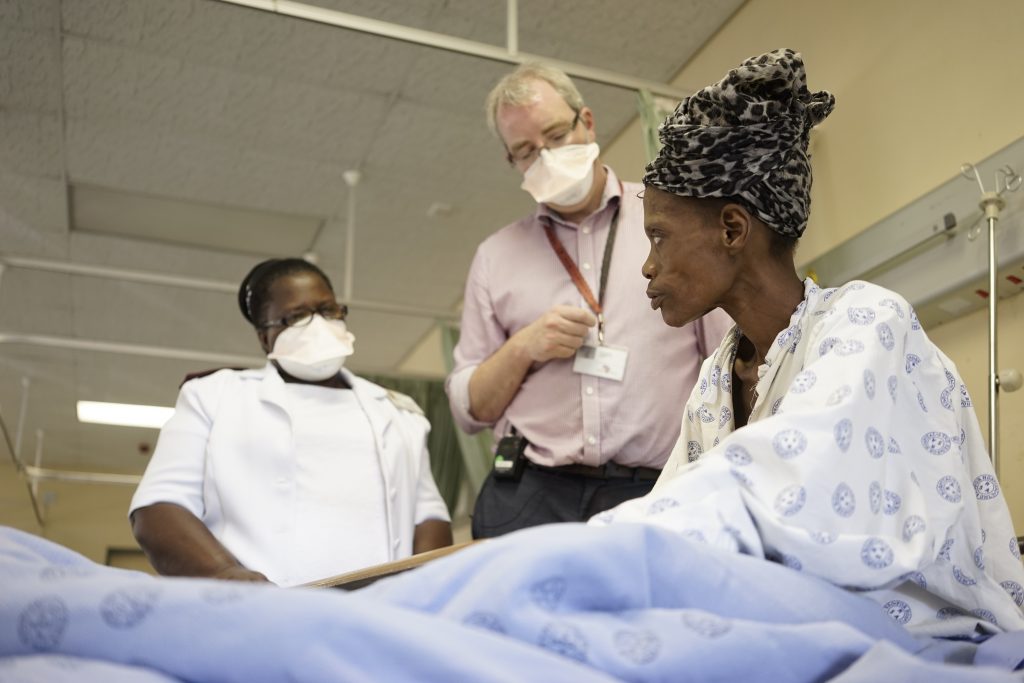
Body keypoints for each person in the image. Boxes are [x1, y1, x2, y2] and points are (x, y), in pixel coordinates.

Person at [592, 48, 1024, 636]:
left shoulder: (868, 322)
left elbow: (799, 478)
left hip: (923, 638)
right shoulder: (716, 381)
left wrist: (590, 547)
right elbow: (680, 516)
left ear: (732, 229)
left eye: (659, 237)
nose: (647, 267)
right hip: (788, 630)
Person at [447, 63, 732, 538]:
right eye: (525, 152)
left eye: (556, 135)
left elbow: (728, 359)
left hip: (655, 487)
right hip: (530, 491)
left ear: (588, 122)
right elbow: (468, 410)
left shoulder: (672, 218)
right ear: (512, 162)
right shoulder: (496, 257)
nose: (546, 157)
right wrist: (523, 347)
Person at [130, 258, 452, 586]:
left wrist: (417, 590)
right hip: (258, 613)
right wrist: (228, 577)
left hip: (381, 613)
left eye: (328, 311)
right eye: (296, 317)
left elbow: (429, 517)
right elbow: (158, 509)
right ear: (264, 337)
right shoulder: (215, 397)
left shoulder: (399, 412)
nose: (318, 326)